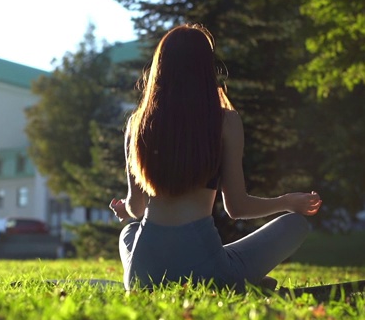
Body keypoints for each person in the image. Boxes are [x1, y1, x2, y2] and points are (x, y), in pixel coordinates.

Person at [110, 24, 322, 292]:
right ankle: (245, 282)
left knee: (129, 232)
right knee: (295, 224)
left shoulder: (137, 124)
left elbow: (136, 208)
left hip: (143, 276)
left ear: (159, 67)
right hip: (210, 275)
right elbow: (237, 207)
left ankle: (246, 282)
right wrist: (287, 201)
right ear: (205, 67)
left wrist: (123, 209)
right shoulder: (225, 122)